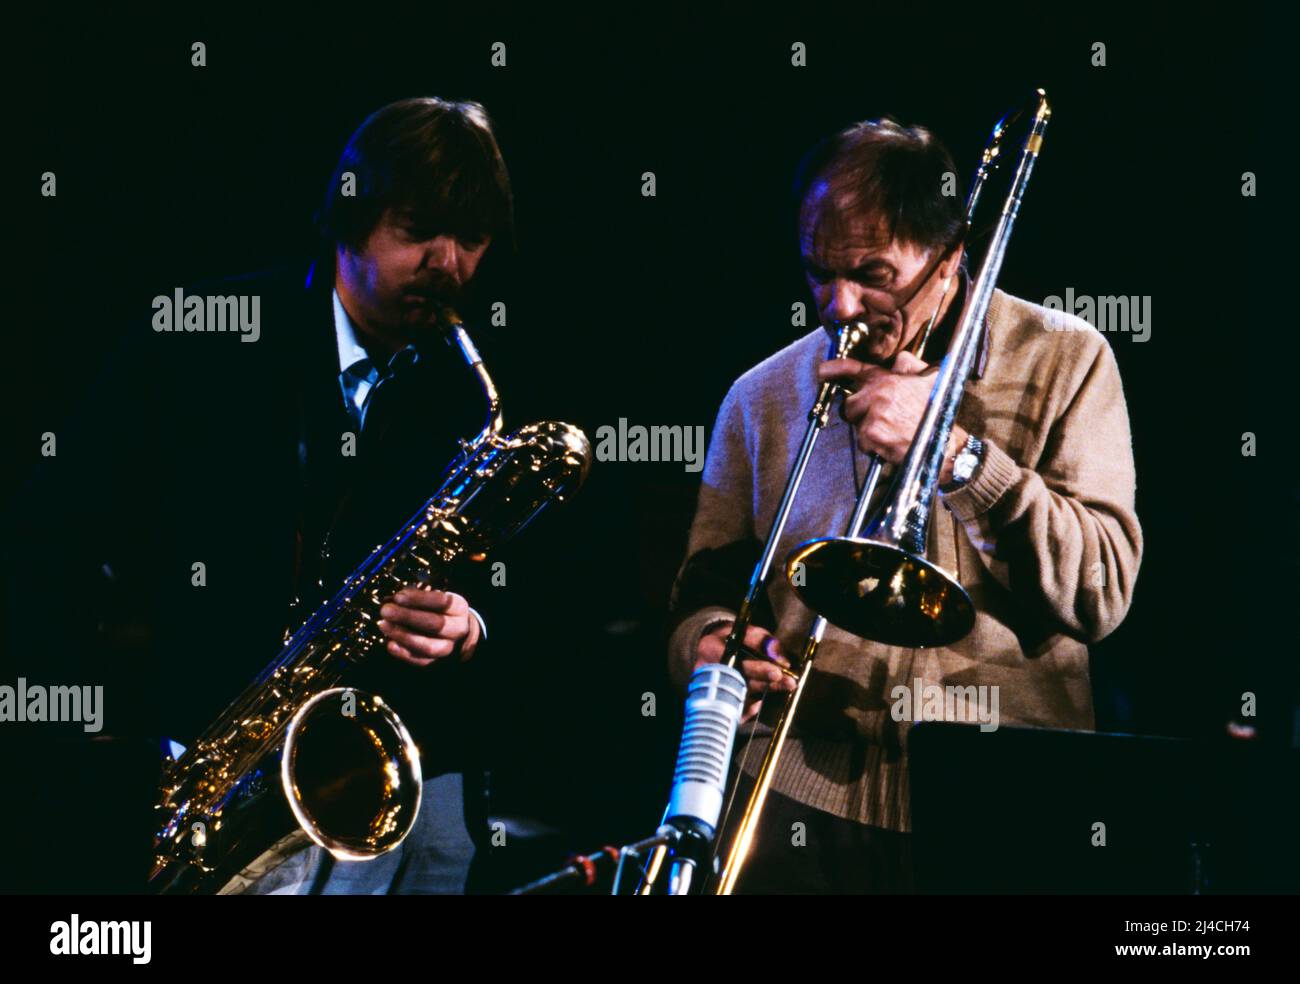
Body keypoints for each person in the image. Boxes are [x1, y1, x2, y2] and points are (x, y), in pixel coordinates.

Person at [4, 96, 514, 893]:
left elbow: (541, 585)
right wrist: (123, 739)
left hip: (379, 791)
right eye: (419, 230)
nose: (449, 263)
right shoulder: (197, 343)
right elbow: (50, 538)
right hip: (197, 773)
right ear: (351, 217)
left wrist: (470, 624)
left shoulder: (472, 384)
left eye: (472, 239)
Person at [667, 118, 1143, 894]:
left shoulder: (1068, 357)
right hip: (799, 798)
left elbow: (1101, 590)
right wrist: (713, 644)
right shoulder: (759, 397)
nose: (838, 304)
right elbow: (704, 587)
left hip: (1005, 798)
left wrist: (957, 455)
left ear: (950, 258)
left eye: (873, 274)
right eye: (819, 272)